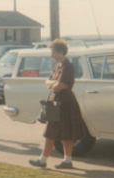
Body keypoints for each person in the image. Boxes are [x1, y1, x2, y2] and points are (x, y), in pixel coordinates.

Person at [29, 39, 86, 169]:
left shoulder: (68, 66)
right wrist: (52, 84)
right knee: (52, 132)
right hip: (56, 103)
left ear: (61, 52)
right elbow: (47, 82)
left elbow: (60, 85)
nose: (52, 55)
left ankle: (55, 160)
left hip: (65, 103)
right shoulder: (58, 66)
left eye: (53, 52)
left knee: (60, 133)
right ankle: (57, 160)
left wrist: (53, 84)